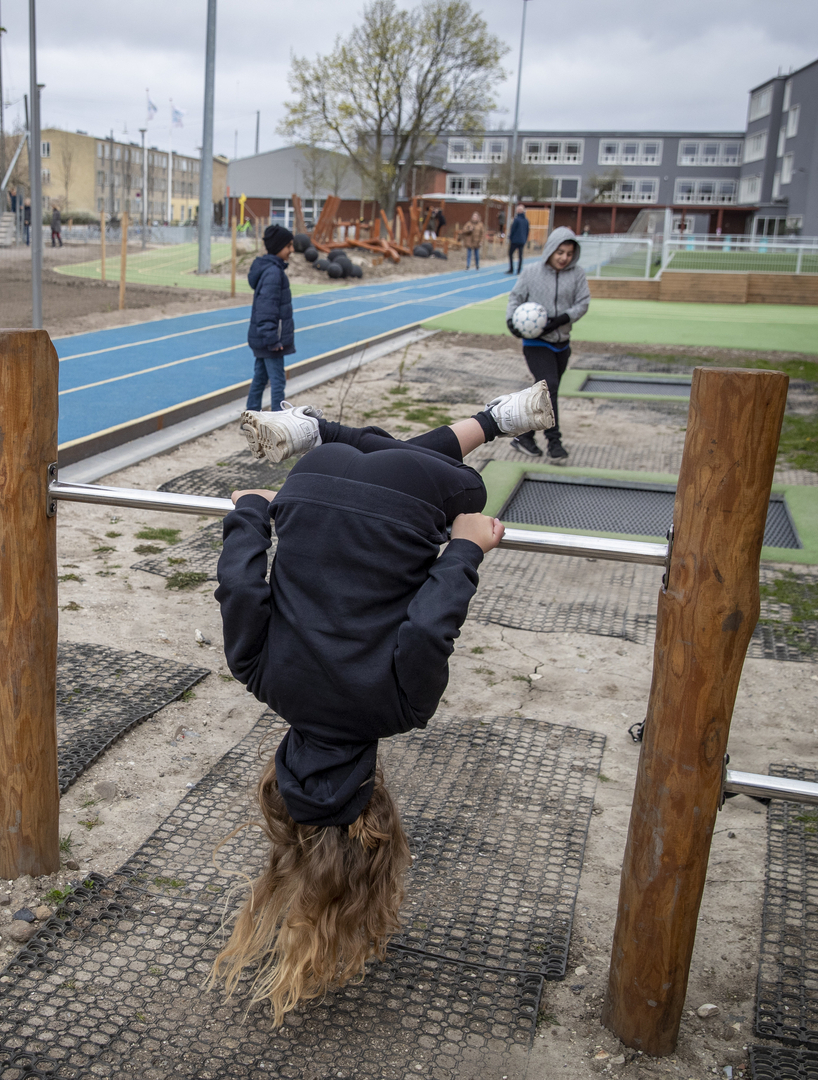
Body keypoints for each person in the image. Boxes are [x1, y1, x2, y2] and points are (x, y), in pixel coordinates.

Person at [208, 381, 556, 1024]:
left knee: (449, 480)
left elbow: (427, 628)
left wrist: (465, 549)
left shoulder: (400, 709)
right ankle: (323, 434)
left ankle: (489, 421)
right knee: (384, 456)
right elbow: (239, 586)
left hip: (413, 498)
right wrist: (252, 513)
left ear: (374, 797)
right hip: (309, 486)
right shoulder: (258, 676)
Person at [505, 226, 590, 461]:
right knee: (549, 386)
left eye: (569, 253)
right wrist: (511, 321)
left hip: (562, 343)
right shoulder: (532, 272)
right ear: (551, 249)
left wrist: (563, 318)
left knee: (546, 393)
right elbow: (516, 298)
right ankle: (555, 443)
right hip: (536, 343)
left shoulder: (577, 274)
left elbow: (583, 303)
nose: (564, 258)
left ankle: (524, 436)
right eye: (560, 252)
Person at [246, 224, 295, 414]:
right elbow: (266, 308)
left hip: (265, 338)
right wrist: (272, 339)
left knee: (260, 378)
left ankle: (250, 418)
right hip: (271, 340)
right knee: (277, 381)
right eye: (288, 246)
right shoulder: (274, 273)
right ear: (278, 247)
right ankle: (278, 421)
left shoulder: (271, 270)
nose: (291, 250)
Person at [506, 208, 530, 275]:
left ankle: (511, 269)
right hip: (522, 240)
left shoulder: (516, 220)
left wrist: (510, 237)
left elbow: (513, 229)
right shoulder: (526, 220)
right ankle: (519, 270)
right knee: (520, 256)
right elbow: (527, 231)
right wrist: (525, 239)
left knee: (510, 254)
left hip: (515, 240)